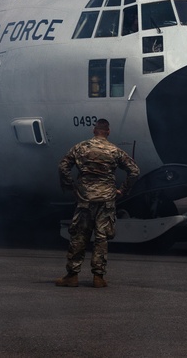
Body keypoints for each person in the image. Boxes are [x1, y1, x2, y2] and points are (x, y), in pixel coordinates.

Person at [55, 118, 140, 288]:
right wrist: (122, 190)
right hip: (106, 200)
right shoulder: (115, 150)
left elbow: (63, 166)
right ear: (108, 132)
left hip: (85, 198)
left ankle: (72, 276)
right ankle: (98, 277)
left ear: (94, 131)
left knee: (79, 236)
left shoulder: (81, 148)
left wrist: (72, 187)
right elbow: (134, 171)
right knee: (101, 237)